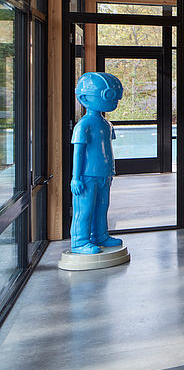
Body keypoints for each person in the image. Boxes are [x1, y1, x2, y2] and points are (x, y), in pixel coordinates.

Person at [70, 72, 124, 254]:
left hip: (104, 175)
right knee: (84, 209)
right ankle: (79, 241)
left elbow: (107, 149)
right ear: (84, 98)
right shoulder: (83, 125)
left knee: (102, 207)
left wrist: (111, 172)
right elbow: (78, 152)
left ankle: (100, 235)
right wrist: (75, 178)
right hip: (87, 176)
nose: (114, 102)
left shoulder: (106, 124)